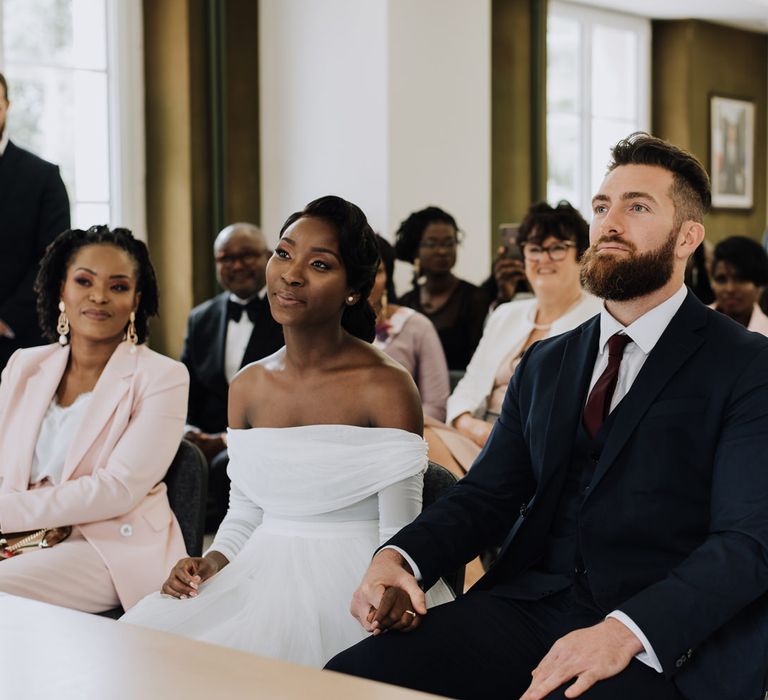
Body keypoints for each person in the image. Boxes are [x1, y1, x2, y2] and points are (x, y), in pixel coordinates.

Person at [326, 133, 768, 700]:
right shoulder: (547, 360)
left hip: (660, 637)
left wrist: (624, 632)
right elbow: (487, 493)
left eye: (638, 206)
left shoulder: (747, 364)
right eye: (603, 206)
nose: (610, 222)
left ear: (687, 237)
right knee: (348, 680)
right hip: (527, 606)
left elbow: (747, 542)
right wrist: (398, 557)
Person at [122, 196, 452, 667]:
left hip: (355, 578)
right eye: (283, 253)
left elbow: (398, 529)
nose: (291, 274)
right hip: (258, 571)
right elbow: (245, 511)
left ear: (354, 290)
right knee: (147, 659)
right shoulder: (249, 386)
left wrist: (390, 591)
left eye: (319, 264)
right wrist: (208, 563)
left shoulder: (387, 385)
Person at [0, 226, 188, 613]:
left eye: (118, 287)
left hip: (105, 544)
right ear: (61, 291)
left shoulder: (163, 377)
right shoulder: (24, 365)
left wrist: (7, 513)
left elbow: (116, 488)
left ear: (137, 299)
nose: (99, 296)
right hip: (20, 534)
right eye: (84, 281)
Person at [425, 202, 602, 475]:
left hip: (534, 448)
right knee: (416, 435)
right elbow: (468, 387)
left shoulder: (600, 316)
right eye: (534, 249)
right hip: (479, 436)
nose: (543, 259)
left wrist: (500, 437)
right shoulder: (505, 314)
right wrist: (470, 425)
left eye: (556, 248)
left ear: (580, 254)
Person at [180, 222, 283, 530]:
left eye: (247, 255)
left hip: (268, 437)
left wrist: (227, 441)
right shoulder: (201, 318)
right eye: (226, 258)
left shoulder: (288, 314)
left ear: (267, 256)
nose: (237, 265)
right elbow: (188, 388)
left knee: (225, 465)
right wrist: (189, 431)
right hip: (208, 435)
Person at [0, 72, 71, 371]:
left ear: (7, 105)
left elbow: (54, 258)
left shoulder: (43, 178)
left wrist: (6, 318)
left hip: (18, 343)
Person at [395, 206, 491, 372]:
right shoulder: (406, 302)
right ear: (415, 249)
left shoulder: (475, 298)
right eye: (432, 244)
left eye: (449, 243)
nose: (442, 251)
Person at [370, 235, 449, 422]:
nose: (367, 281)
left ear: (388, 276)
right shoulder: (325, 327)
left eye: (377, 271)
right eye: (358, 272)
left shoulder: (417, 326)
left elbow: (436, 406)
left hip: (406, 435)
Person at [708, 235, 768, 334]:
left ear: (759, 286)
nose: (729, 289)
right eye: (721, 279)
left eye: (740, 279)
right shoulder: (691, 322)